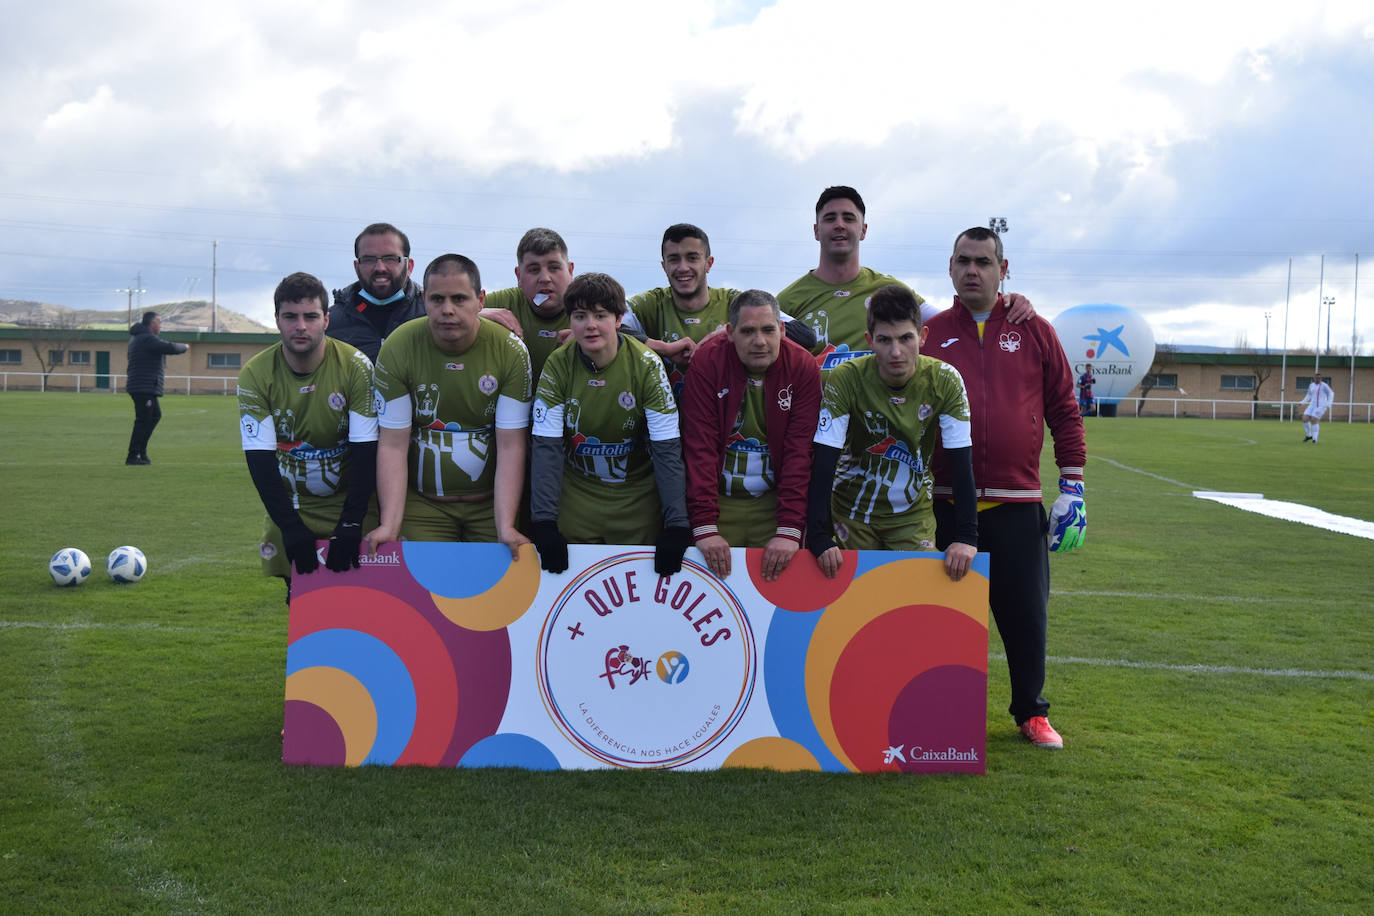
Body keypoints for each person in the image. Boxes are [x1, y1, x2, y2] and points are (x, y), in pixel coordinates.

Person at [924, 227, 1087, 751]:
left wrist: (1073, 483)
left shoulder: (1033, 328)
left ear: (1003, 267)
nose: (973, 270)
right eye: (963, 261)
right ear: (950, 268)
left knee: (1025, 614)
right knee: (947, 616)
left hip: (1019, 501)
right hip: (951, 501)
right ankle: (942, 709)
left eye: (983, 262)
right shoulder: (928, 334)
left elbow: (1064, 406)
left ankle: (1031, 714)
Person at [805, 284, 979, 583]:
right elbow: (824, 459)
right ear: (869, 340)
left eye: (905, 338)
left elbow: (961, 461)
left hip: (912, 516)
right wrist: (819, 535)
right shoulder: (846, 378)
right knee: (853, 612)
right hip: (850, 513)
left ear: (922, 337)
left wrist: (967, 536)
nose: (896, 351)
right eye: (884, 340)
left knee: (912, 610)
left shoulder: (946, 380)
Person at [364, 254, 532, 559]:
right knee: (421, 603)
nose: (447, 310)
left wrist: (505, 524)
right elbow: (393, 444)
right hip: (422, 507)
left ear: (480, 300)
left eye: (459, 298)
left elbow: (511, 446)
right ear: (424, 300)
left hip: (490, 507)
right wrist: (390, 523)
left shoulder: (511, 351)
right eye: (437, 299)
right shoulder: (398, 346)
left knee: (491, 604)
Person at [529, 272, 690, 576]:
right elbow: (545, 448)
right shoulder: (557, 363)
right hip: (577, 500)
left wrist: (677, 524)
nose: (590, 325)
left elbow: (667, 450)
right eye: (579, 316)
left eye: (600, 315)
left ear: (618, 320)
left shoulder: (647, 364)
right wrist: (544, 521)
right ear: (570, 321)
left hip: (636, 501)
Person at [237, 272, 378, 599]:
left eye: (310, 316)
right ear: (277, 320)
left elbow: (366, 451)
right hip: (293, 504)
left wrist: (351, 523)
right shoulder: (256, 374)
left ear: (326, 320)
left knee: (361, 597)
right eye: (290, 316)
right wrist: (289, 526)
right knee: (302, 598)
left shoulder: (356, 366)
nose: (300, 325)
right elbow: (260, 461)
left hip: (350, 502)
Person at [777, 186, 1034, 364]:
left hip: (878, 435)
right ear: (816, 230)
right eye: (830, 218)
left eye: (849, 218)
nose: (840, 225)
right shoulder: (786, 302)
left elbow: (955, 321)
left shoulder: (891, 291)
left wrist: (1004, 303)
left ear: (864, 230)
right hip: (817, 433)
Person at [681, 290, 822, 580]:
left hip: (773, 506)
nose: (759, 341)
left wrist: (789, 529)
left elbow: (800, 454)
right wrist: (705, 526)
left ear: (782, 330)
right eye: (748, 331)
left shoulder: (804, 366)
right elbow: (700, 448)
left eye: (768, 330)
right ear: (730, 333)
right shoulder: (707, 362)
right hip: (719, 503)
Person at [624, 224, 815, 396]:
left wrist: (728, 332)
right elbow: (604, 324)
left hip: (724, 422)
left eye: (692, 258)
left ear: (709, 263)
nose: (683, 267)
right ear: (664, 266)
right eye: (674, 259)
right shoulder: (650, 304)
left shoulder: (736, 301)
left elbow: (807, 336)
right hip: (663, 423)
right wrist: (662, 348)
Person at [479, 227, 575, 381]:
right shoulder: (503, 303)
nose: (545, 278)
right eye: (534, 270)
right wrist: (475, 314)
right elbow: (435, 317)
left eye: (554, 268)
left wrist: (594, 338)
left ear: (570, 271)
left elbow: (623, 331)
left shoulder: (590, 304)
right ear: (518, 276)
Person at [328, 222, 425, 363]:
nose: (380, 268)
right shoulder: (330, 324)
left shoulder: (432, 317)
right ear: (357, 267)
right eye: (369, 259)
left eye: (390, 259)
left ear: (409, 266)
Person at [125, 310, 188, 465]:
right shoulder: (146, 338)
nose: (161, 325)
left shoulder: (138, 338)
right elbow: (169, 348)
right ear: (152, 323)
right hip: (143, 387)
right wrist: (184, 347)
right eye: (159, 322)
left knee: (154, 416)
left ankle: (141, 452)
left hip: (144, 386)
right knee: (143, 420)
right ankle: (133, 455)